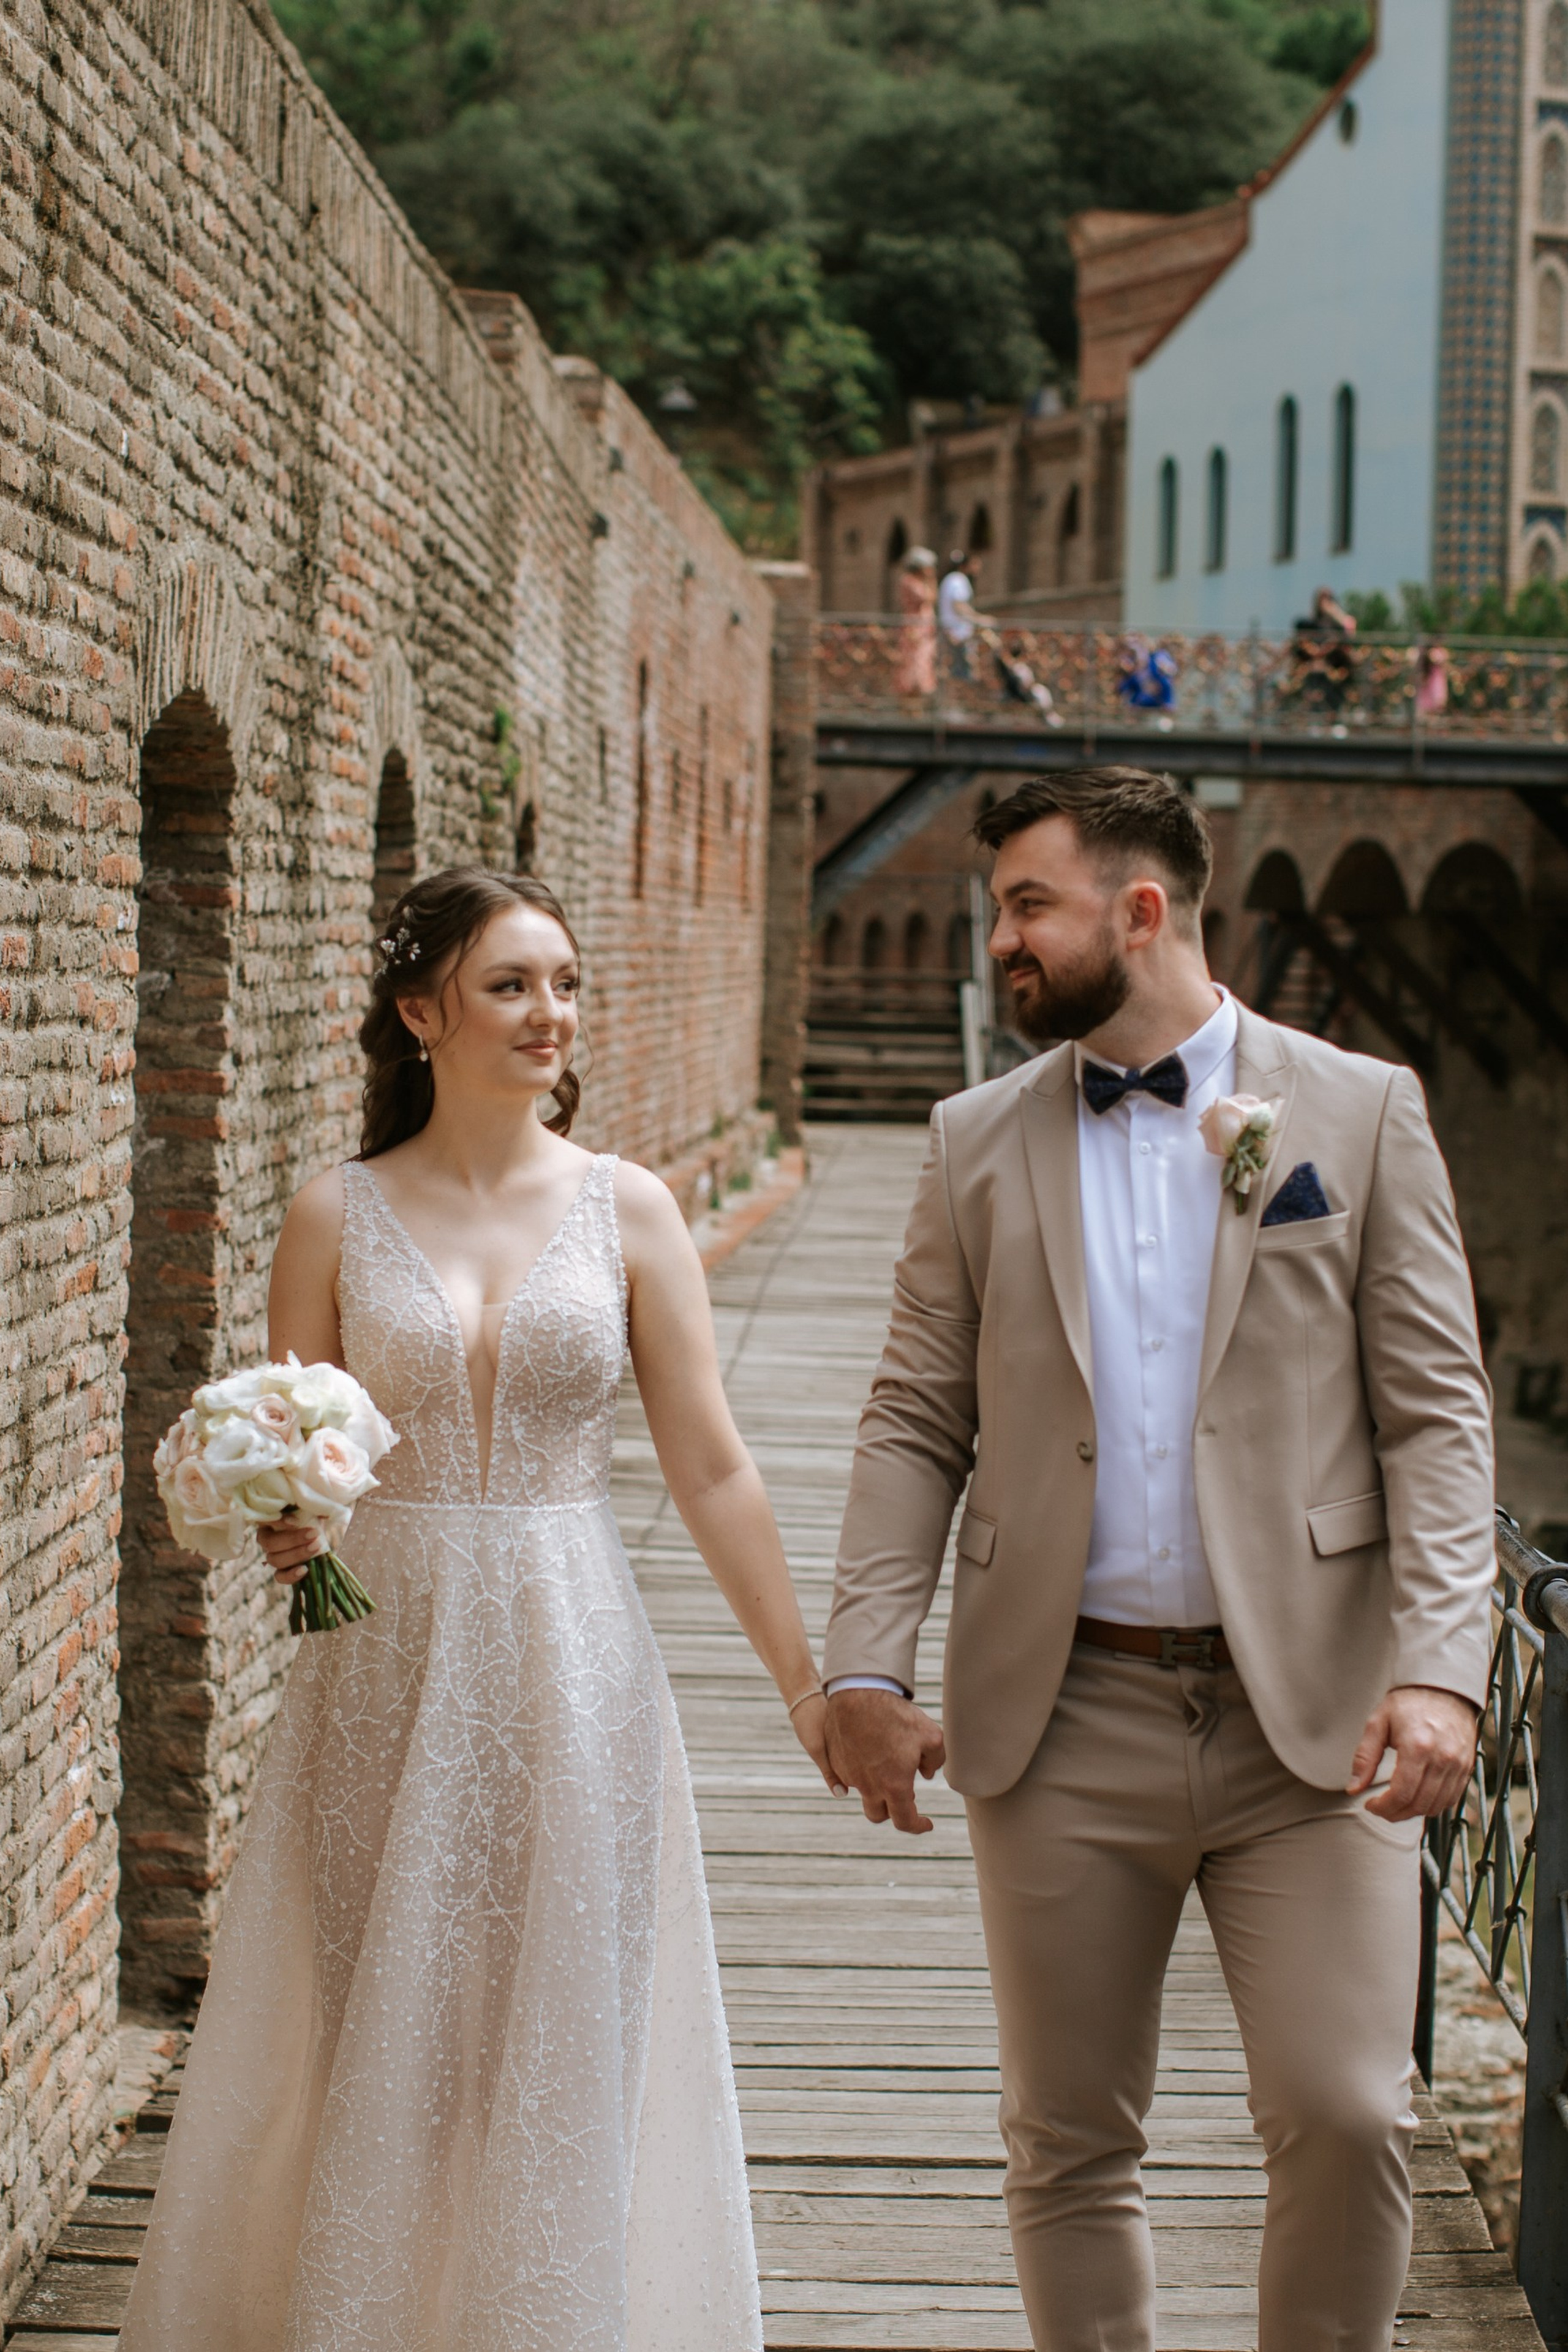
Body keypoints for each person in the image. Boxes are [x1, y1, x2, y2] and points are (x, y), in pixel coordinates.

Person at [821, 768, 1493, 2352]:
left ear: (1141, 913)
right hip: (1058, 1714)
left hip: (1314, 1718)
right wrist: (864, 1657)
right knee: (1069, 2139)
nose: (1001, 941)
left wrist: (1443, 1673)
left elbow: (1441, 1423)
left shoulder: (1356, 1112)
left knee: (1349, 2111)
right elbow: (916, 1415)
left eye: (1026, 907)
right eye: (996, 910)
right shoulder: (974, 1139)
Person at [119, 867, 836, 2352]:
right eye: (511, 983)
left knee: (556, 2020)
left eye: (562, 983)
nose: (549, 1012)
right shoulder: (335, 1213)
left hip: (577, 1660)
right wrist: (285, 1516)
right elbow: (292, 1451)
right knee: (385, 2027)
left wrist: (805, 1684)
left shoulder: (628, 1209)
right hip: (379, 1662)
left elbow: (709, 1466)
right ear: (419, 1011)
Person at [894, 545, 938, 698]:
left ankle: (918, 703)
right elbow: (928, 598)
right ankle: (910, 704)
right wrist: (931, 579)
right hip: (915, 629)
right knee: (913, 664)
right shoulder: (909, 581)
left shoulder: (918, 581)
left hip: (924, 629)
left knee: (924, 662)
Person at [938, 549, 981, 683]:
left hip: (950, 631)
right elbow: (959, 606)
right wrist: (979, 619)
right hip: (959, 634)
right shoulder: (959, 580)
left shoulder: (950, 579)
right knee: (962, 675)